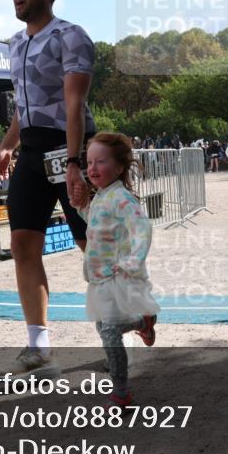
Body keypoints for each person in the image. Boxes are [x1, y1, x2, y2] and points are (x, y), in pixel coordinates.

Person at [0, 0, 95, 377]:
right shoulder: (15, 43)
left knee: (92, 245)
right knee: (22, 247)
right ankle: (38, 345)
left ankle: (117, 325)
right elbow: (23, 105)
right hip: (31, 155)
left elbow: (75, 104)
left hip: (70, 149)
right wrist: (6, 147)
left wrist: (73, 162)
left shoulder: (71, 36)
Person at [77, 132, 159, 409]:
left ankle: (121, 392)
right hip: (100, 279)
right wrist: (80, 207)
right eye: (89, 162)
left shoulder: (122, 198)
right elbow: (96, 221)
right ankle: (142, 322)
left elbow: (142, 229)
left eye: (100, 162)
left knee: (109, 331)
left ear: (120, 167)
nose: (92, 168)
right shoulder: (101, 196)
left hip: (119, 276)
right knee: (104, 328)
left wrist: (133, 261)